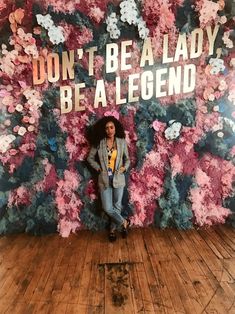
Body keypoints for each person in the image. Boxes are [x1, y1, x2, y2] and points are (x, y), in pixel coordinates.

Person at [87, 116, 130, 242]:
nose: (109, 130)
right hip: (104, 179)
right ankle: (124, 222)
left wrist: (124, 168)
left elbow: (127, 159)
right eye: (106, 128)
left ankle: (112, 230)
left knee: (117, 206)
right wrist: (98, 168)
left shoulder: (121, 142)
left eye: (111, 127)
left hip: (119, 179)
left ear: (116, 128)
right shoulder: (100, 143)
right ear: (103, 130)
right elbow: (89, 158)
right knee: (107, 208)